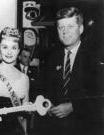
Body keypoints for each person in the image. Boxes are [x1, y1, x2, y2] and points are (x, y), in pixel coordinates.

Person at [34, 6, 101, 135]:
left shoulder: (94, 58)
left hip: (85, 127)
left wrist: (73, 107)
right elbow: (44, 89)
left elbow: (99, 96)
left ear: (80, 29)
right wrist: (46, 104)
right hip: (55, 128)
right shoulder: (52, 57)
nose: (65, 32)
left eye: (70, 26)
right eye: (61, 27)